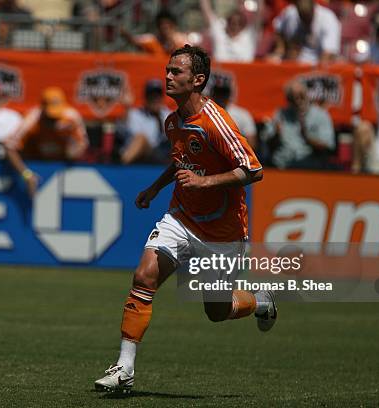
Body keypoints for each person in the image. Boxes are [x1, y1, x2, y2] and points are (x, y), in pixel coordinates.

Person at [94, 45, 277, 393]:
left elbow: (253, 169)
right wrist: (153, 188)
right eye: (167, 70)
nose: (167, 76)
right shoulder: (173, 121)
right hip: (182, 217)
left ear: (198, 80)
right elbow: (181, 162)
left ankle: (260, 299)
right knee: (144, 275)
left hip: (223, 231)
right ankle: (125, 369)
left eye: (176, 72)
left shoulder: (217, 122)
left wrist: (205, 181)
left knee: (216, 312)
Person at [262, 80, 336, 169]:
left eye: (301, 96)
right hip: (282, 161)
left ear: (307, 95)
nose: (298, 101)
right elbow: (266, 142)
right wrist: (277, 134)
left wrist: (307, 137)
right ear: (288, 100)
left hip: (308, 160)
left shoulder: (320, 115)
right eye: (293, 98)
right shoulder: (280, 114)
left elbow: (327, 145)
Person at [6, 86, 88, 162]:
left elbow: (82, 145)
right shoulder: (32, 119)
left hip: (63, 160)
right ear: (42, 108)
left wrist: (70, 141)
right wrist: (26, 172)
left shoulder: (72, 117)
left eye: (56, 117)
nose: (54, 120)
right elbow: (10, 146)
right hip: (34, 160)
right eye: (50, 117)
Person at [270, 0, 341, 64]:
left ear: (313, 8)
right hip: (293, 62)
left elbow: (328, 55)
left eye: (307, 16)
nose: (305, 19)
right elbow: (278, 27)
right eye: (302, 16)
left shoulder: (328, 19)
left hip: (316, 66)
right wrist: (280, 49)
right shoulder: (290, 13)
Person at [119, 79, 171, 164]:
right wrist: (127, 108)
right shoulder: (136, 114)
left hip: (160, 153)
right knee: (141, 138)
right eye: (152, 96)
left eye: (158, 96)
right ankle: (121, 166)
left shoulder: (168, 115)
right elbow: (124, 130)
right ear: (146, 98)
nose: (155, 100)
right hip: (139, 150)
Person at [210, 78, 257, 149]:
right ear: (213, 94)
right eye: (218, 93)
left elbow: (251, 143)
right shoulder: (204, 112)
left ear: (229, 94)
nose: (221, 96)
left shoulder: (242, 114)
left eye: (224, 93)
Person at [121, 9, 189, 56]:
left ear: (174, 25)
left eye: (167, 25)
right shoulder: (153, 39)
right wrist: (125, 33)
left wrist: (172, 44)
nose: (164, 28)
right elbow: (134, 40)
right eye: (161, 24)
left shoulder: (183, 41)